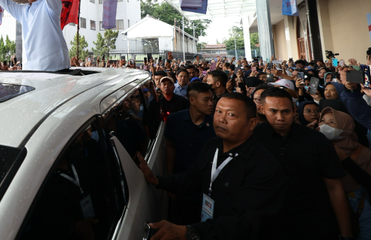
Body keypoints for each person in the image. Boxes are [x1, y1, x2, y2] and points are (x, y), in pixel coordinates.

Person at [138, 93, 285, 239]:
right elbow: (193, 177)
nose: (221, 119)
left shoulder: (264, 166)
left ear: (252, 123)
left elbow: (244, 223)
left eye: (231, 114)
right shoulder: (213, 145)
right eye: (218, 111)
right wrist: (158, 180)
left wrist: (188, 232)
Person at [253, 87, 353, 240]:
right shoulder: (252, 139)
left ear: (294, 110)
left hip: (315, 223)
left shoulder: (316, 140)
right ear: (262, 109)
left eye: (285, 111)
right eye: (273, 111)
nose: (280, 117)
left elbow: (334, 187)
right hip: (269, 225)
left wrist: (346, 234)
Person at [164, 82, 216, 225]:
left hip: (206, 187)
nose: (211, 103)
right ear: (192, 100)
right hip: (182, 181)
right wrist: (171, 178)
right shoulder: (175, 120)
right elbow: (171, 147)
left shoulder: (215, 125)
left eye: (212, 99)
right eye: (206, 100)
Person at [319, 107, 371, 239]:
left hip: (360, 208)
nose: (324, 125)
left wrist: (346, 160)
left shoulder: (363, 153)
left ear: (346, 127)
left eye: (332, 122)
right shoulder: (317, 149)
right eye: (322, 121)